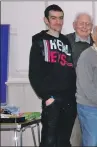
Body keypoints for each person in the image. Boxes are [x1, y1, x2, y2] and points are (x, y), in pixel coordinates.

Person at [28, 4, 76, 146]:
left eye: (61, 18)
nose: (58, 22)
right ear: (46, 20)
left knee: (64, 139)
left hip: (69, 99)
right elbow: (34, 73)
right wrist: (46, 97)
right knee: (49, 139)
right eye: (53, 18)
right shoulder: (39, 41)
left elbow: (69, 68)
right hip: (52, 99)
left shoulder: (65, 41)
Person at [65, 12, 94, 146]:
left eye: (88, 24)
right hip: (71, 98)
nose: (84, 26)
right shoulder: (64, 42)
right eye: (81, 23)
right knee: (74, 137)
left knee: (92, 137)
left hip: (94, 100)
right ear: (74, 25)